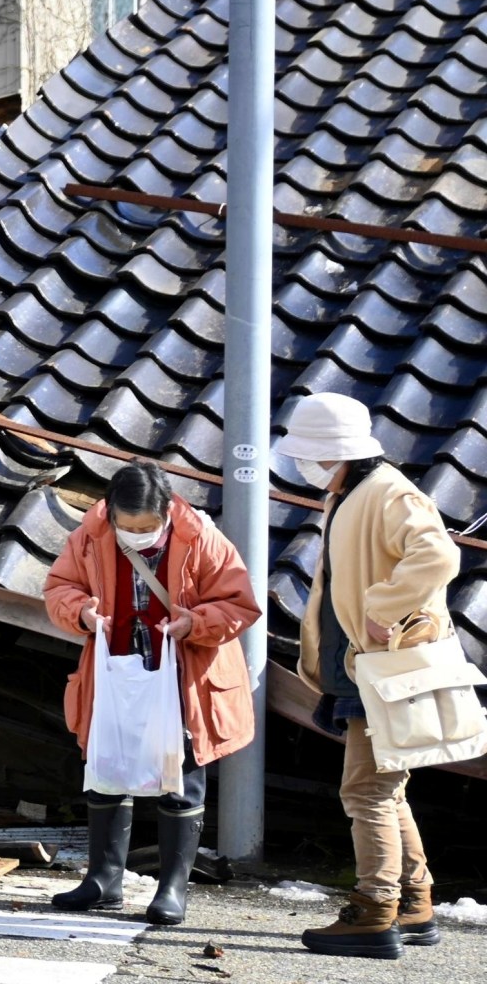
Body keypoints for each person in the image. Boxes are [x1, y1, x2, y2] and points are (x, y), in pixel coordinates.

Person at [281, 392, 461, 960]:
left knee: (367, 790)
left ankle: (373, 909)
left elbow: (438, 558)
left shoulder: (386, 492)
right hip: (367, 667)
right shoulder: (359, 490)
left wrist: (385, 609)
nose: (304, 465)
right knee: (386, 788)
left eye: (311, 455)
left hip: (381, 668)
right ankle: (413, 902)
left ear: (335, 453)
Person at [43, 462, 261, 926]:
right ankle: (103, 880)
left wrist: (194, 624)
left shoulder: (203, 539)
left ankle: (172, 887)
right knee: (105, 769)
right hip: (115, 672)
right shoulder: (88, 536)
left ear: (167, 512)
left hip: (185, 674)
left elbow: (240, 603)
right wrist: (82, 614)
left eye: (147, 527)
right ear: (111, 513)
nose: (137, 534)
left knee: (180, 778)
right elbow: (59, 588)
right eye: (127, 526)